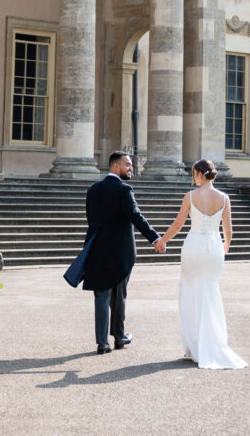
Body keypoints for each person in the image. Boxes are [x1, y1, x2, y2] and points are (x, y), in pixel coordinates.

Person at [158, 157, 247, 369]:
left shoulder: (190, 196)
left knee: (190, 292)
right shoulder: (224, 198)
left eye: (194, 174)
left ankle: (195, 346)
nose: (193, 178)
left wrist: (163, 240)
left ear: (199, 174)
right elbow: (228, 229)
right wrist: (226, 245)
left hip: (193, 246)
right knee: (210, 292)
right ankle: (212, 342)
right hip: (214, 247)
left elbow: (179, 224)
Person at [83, 150, 165, 354]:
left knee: (101, 296)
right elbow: (135, 216)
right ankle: (119, 337)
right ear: (115, 166)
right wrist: (155, 238)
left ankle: (103, 343)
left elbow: (91, 220)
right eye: (128, 165)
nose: (131, 168)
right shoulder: (124, 189)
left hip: (96, 249)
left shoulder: (93, 189)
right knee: (118, 296)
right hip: (120, 252)